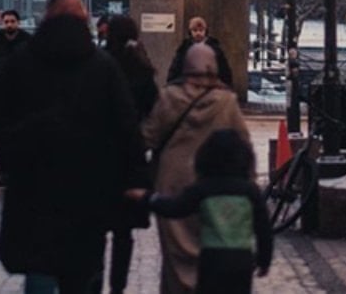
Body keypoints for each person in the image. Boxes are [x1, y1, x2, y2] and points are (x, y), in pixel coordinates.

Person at [0, 0, 146, 294]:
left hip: (33, 187)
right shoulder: (102, 67)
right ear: (83, 19)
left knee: (40, 266)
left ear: (47, 17)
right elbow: (126, 126)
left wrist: (11, 157)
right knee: (82, 271)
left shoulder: (21, 63)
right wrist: (133, 177)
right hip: (89, 191)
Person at [144, 43, 250, 293]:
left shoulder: (169, 97)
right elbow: (244, 145)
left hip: (173, 183)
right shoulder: (226, 102)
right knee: (209, 246)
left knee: (175, 255)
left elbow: (148, 136)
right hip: (215, 187)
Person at [129, 129, 272, 294]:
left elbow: (175, 208)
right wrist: (264, 260)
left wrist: (148, 198)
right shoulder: (250, 191)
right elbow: (264, 229)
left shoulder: (203, 189)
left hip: (212, 258)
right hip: (241, 259)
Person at [103, 15, 160, 294]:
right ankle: (118, 286)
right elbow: (154, 110)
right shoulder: (141, 65)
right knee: (123, 232)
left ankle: (92, 281)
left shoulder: (101, 62)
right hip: (129, 156)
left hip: (99, 154)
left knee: (95, 226)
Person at [166, 16, 233, 87]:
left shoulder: (215, 49)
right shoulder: (184, 48)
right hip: (188, 86)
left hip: (210, 86)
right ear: (190, 32)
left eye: (201, 30)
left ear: (205, 31)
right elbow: (176, 68)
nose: (198, 33)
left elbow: (223, 69)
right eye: (195, 30)